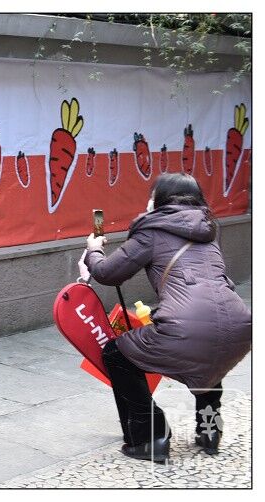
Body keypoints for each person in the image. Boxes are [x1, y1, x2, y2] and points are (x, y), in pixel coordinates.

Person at [82, 173, 251, 462]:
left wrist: (93, 250)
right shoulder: (209, 228)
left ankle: (151, 437)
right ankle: (210, 431)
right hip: (239, 324)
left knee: (116, 355)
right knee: (208, 362)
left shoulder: (152, 230)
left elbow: (108, 274)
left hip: (190, 324)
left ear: (159, 199)